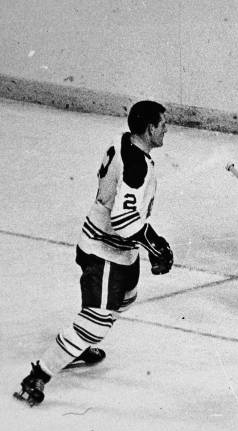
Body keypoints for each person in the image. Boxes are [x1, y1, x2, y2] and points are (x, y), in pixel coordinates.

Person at [14, 100, 174, 406]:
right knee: (97, 321)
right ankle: (38, 376)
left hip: (118, 249)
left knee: (126, 299)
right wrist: (155, 244)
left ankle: (77, 345)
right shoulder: (136, 165)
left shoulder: (123, 141)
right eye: (163, 124)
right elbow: (124, 220)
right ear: (149, 128)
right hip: (105, 251)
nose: (167, 128)